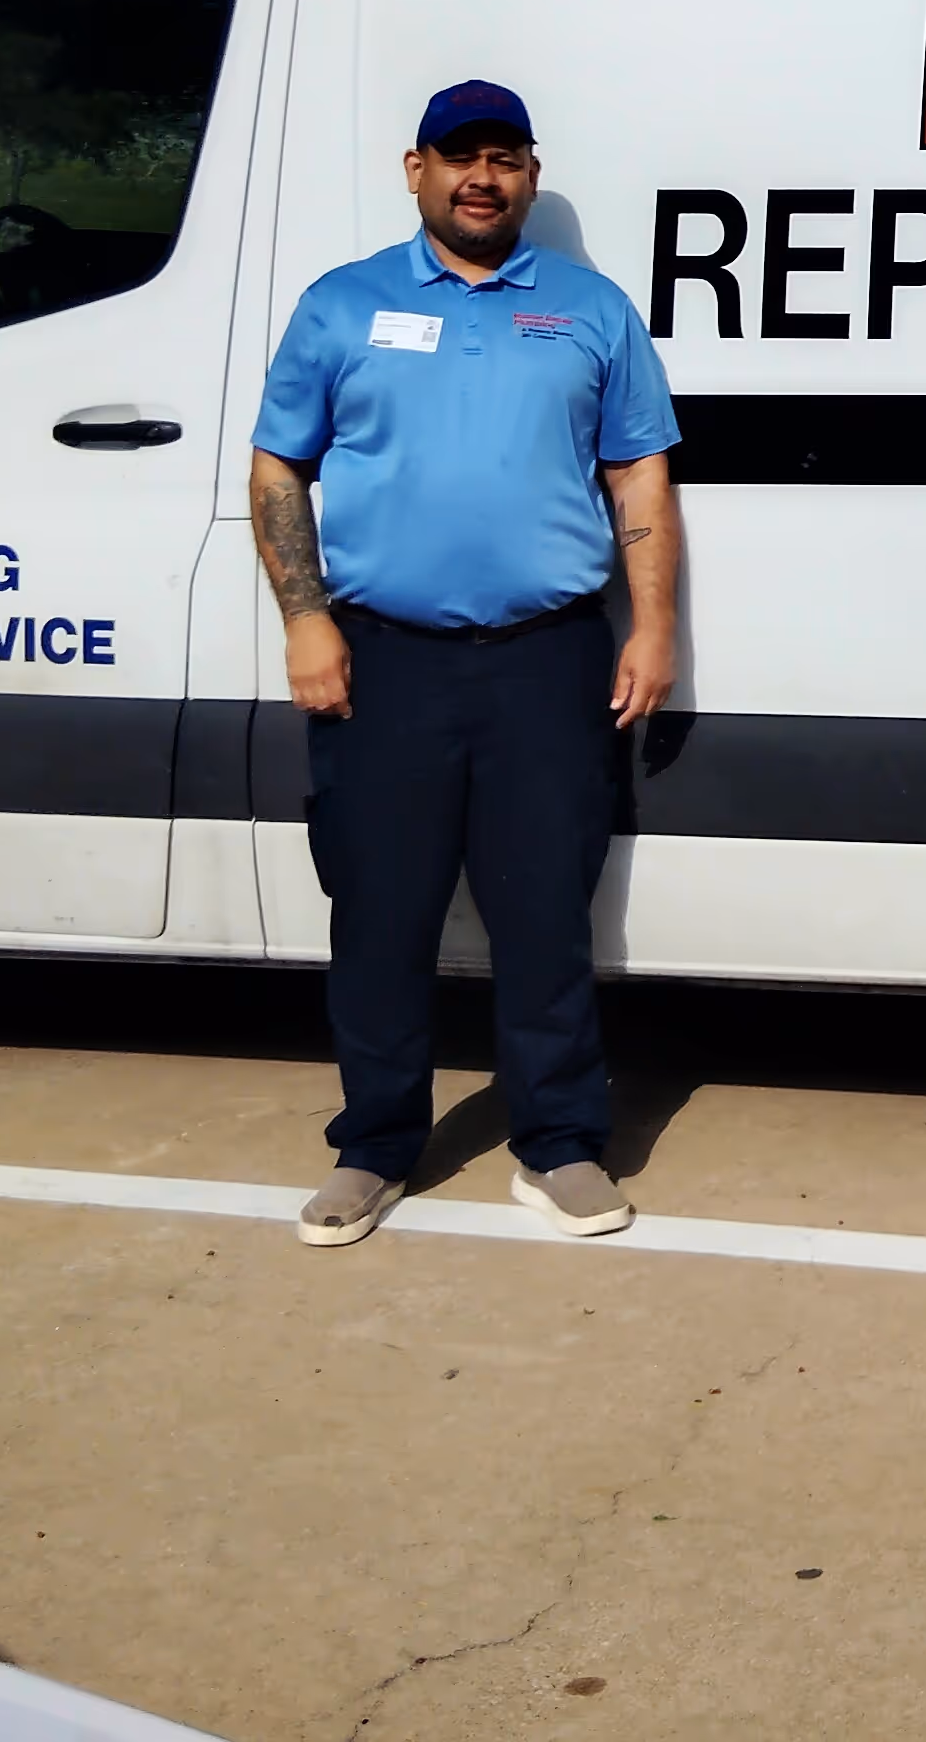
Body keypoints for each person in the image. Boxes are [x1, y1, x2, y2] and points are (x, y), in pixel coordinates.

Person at [247, 81, 683, 1248]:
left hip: (549, 662)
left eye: (504, 158)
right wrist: (305, 619)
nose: (480, 178)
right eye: (458, 158)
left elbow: (637, 477)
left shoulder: (589, 311)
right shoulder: (343, 308)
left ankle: (558, 1146)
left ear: (530, 176)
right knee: (381, 916)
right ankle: (375, 1148)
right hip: (383, 660)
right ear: (415, 169)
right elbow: (279, 469)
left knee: (544, 913)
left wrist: (651, 627)